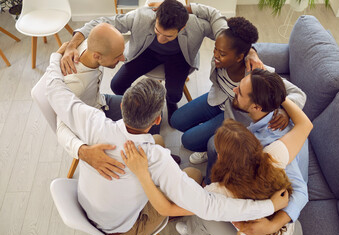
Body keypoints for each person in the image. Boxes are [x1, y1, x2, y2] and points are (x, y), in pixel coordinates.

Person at [45, 49, 289, 235]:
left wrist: (61, 54)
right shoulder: (155, 159)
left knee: (160, 142)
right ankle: (173, 190)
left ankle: (167, 184)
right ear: (157, 119)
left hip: (86, 207)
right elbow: (210, 206)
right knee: (192, 173)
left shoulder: (93, 121)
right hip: (123, 230)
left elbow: (55, 90)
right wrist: (269, 206)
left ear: (122, 106)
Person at [121, 95, 312, 235]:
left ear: (221, 157)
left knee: (204, 214)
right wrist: (280, 96)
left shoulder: (217, 193)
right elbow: (305, 125)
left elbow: (168, 209)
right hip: (286, 232)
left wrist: (141, 173)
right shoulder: (273, 156)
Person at [60, 0, 264, 122]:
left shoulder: (197, 26)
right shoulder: (141, 16)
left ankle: (169, 103)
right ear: (156, 17)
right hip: (146, 53)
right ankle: (135, 108)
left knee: (174, 95)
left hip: (179, 58)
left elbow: (232, 36)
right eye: (157, 31)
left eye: (168, 36)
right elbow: (100, 23)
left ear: (182, 28)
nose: (161, 38)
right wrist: (72, 43)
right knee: (116, 84)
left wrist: (251, 52)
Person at [170, 17, 306, 164]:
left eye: (222, 53)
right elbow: (212, 15)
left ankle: (207, 145)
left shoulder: (257, 74)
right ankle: (207, 131)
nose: (216, 55)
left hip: (234, 114)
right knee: (176, 120)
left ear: (239, 57)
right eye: (215, 49)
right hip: (218, 98)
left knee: (188, 141)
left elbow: (299, 94)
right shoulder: (221, 57)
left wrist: (286, 110)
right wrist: (252, 51)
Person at [204, 69, 310, 235]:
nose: (234, 90)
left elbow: (301, 192)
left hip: (271, 191)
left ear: (256, 107)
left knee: (208, 212)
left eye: (240, 92)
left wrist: (272, 225)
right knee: (212, 145)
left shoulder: (269, 146)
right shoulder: (279, 112)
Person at [53, 23, 126, 180]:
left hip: (100, 102)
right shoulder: (75, 84)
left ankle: (153, 149)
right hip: (89, 123)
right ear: (98, 56)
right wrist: (83, 151)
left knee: (149, 112)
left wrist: (70, 44)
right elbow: (61, 128)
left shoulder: (87, 44)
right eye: (117, 56)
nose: (123, 58)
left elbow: (93, 24)